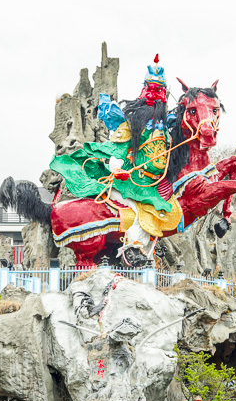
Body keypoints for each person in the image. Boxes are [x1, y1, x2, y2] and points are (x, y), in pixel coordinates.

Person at [49, 55, 183, 265]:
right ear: (144, 92)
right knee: (136, 209)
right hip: (127, 182)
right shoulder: (130, 124)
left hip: (152, 184)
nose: (156, 96)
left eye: (160, 91)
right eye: (152, 90)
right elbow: (117, 151)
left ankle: (153, 247)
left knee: (163, 208)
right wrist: (118, 169)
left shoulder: (166, 128)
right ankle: (132, 248)